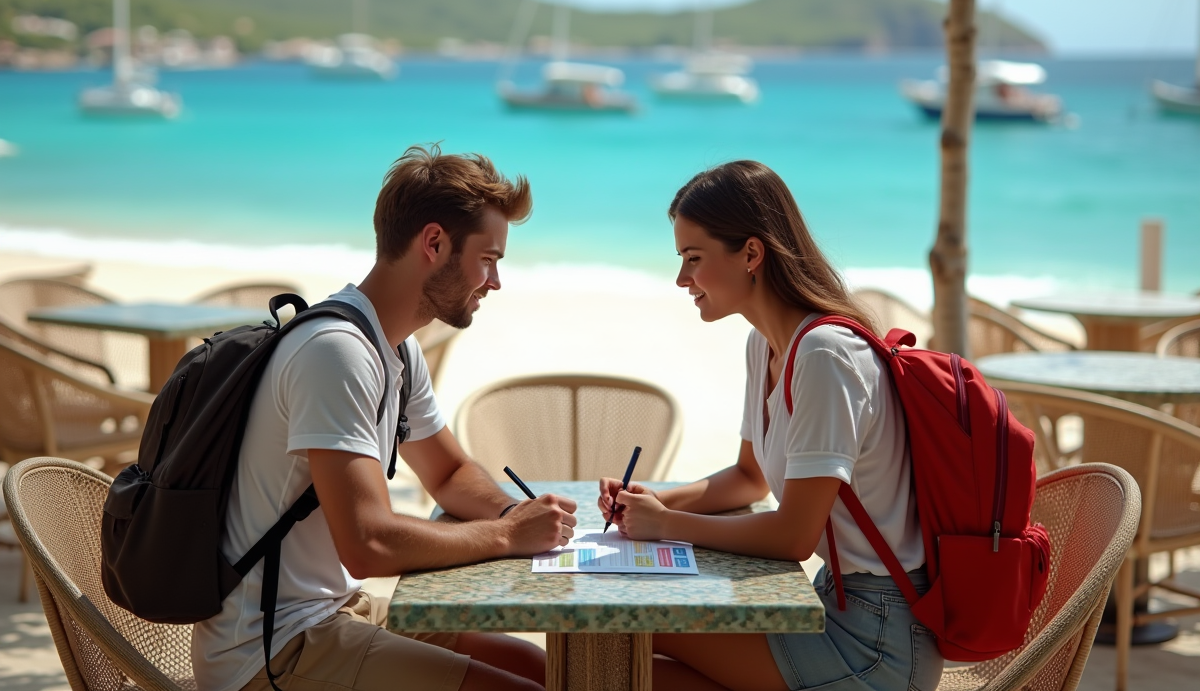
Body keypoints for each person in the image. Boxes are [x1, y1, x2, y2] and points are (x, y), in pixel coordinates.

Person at [193, 145, 577, 691]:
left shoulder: (395, 348)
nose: (495, 281)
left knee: (545, 669)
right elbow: (367, 544)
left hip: (336, 612)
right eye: (489, 259)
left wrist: (518, 513)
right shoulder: (335, 352)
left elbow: (448, 473)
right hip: (268, 648)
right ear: (434, 243)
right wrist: (506, 534)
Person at [597, 161, 942, 691]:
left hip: (879, 643)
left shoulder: (825, 355)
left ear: (751, 254)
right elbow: (748, 478)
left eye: (693, 258)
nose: (682, 279)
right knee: (621, 660)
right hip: (835, 604)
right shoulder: (765, 345)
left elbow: (793, 537)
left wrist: (666, 525)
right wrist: (652, 502)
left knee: (619, 633)